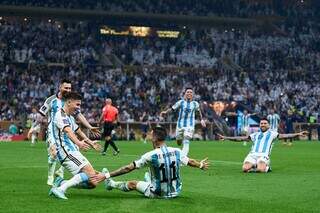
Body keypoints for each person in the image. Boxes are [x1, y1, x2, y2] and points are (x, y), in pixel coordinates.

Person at [90, 125, 209, 199]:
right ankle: (149, 180)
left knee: (133, 183)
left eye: (151, 136)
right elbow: (191, 162)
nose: (150, 138)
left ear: (155, 139)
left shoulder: (150, 155)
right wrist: (201, 165)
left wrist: (106, 175)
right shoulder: (177, 151)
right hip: (176, 192)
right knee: (152, 173)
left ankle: (111, 184)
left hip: (158, 194)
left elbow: (128, 168)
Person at [38, 79, 100, 186]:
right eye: (66, 88)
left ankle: (61, 174)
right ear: (60, 87)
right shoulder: (51, 100)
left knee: (72, 150)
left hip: (67, 129)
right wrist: (38, 127)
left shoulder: (70, 102)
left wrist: (89, 127)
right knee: (54, 153)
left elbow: (78, 116)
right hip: (53, 131)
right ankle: (51, 176)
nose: (68, 90)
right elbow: (41, 114)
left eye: (70, 88)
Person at [49, 92, 104, 200]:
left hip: (73, 151)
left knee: (93, 182)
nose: (78, 108)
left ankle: (62, 182)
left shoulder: (70, 117)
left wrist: (90, 142)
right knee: (90, 173)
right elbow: (69, 131)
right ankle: (60, 189)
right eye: (77, 105)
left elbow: (78, 131)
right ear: (69, 102)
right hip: (66, 151)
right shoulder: (60, 115)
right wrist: (79, 143)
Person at [218, 117, 308, 173]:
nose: (263, 125)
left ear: (268, 125)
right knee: (244, 169)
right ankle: (255, 165)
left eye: (265, 123)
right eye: (261, 123)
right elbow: (240, 139)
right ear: (259, 125)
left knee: (260, 170)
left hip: (263, 156)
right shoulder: (255, 134)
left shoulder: (272, 134)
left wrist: (298, 134)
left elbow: (284, 135)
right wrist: (226, 137)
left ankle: (266, 167)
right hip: (252, 155)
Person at [160, 88, 206, 156]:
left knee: (186, 139)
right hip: (180, 125)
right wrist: (165, 112)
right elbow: (172, 109)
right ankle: (179, 140)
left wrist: (201, 120)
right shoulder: (180, 102)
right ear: (185, 94)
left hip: (190, 125)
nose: (189, 93)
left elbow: (198, 112)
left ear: (192, 95)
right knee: (178, 141)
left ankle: (183, 157)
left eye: (191, 92)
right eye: (187, 92)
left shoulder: (195, 104)